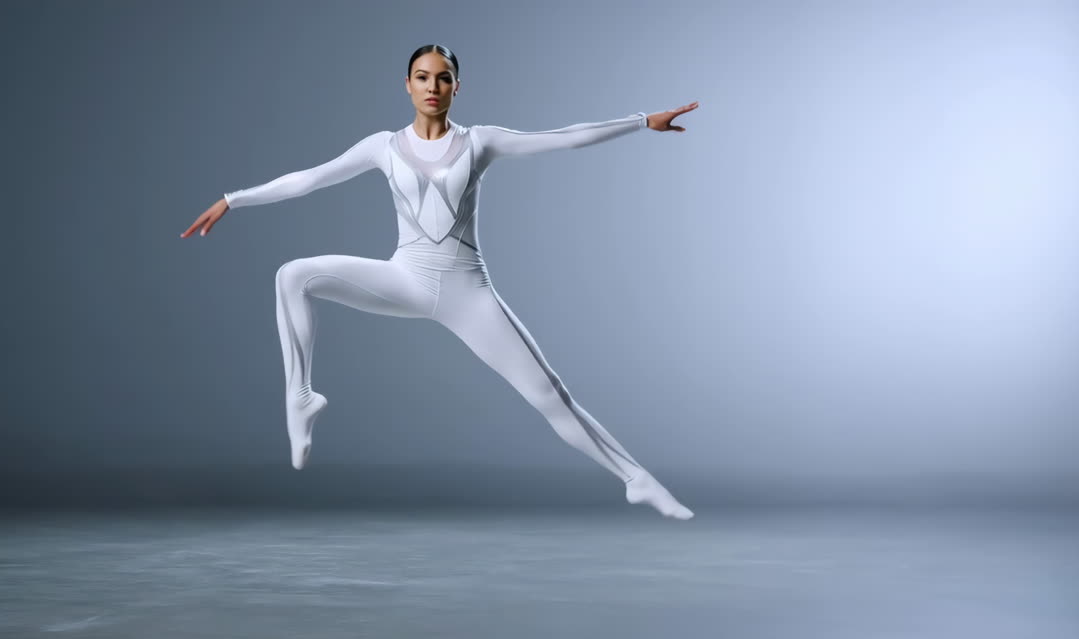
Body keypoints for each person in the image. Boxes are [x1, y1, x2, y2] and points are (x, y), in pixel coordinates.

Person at [181, 44, 698, 519]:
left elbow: (562, 139)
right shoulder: (382, 146)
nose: (433, 86)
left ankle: (637, 480)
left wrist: (641, 121)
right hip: (403, 279)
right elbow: (310, 178)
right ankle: (301, 399)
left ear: (456, 87)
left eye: (444, 78)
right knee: (293, 274)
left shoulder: (480, 142)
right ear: (406, 84)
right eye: (423, 77)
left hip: (466, 294)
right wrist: (234, 198)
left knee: (550, 396)